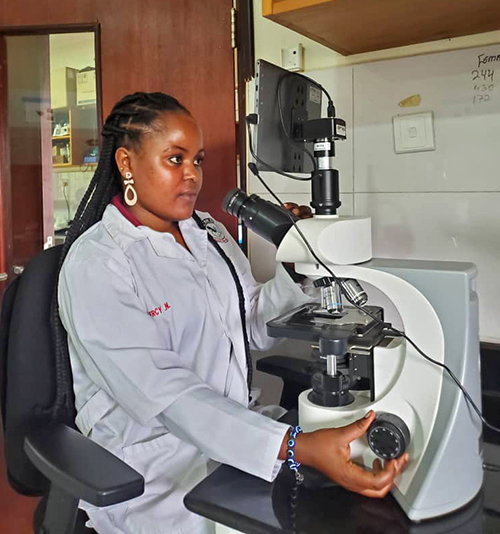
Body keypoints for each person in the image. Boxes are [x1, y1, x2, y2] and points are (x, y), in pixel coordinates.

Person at [54, 92, 408, 534]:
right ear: (127, 162)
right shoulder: (98, 264)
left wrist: (295, 265)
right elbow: (165, 394)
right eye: (175, 159)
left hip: (240, 438)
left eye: (197, 160)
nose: (192, 176)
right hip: (155, 470)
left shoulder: (209, 232)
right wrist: (294, 445)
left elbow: (252, 324)